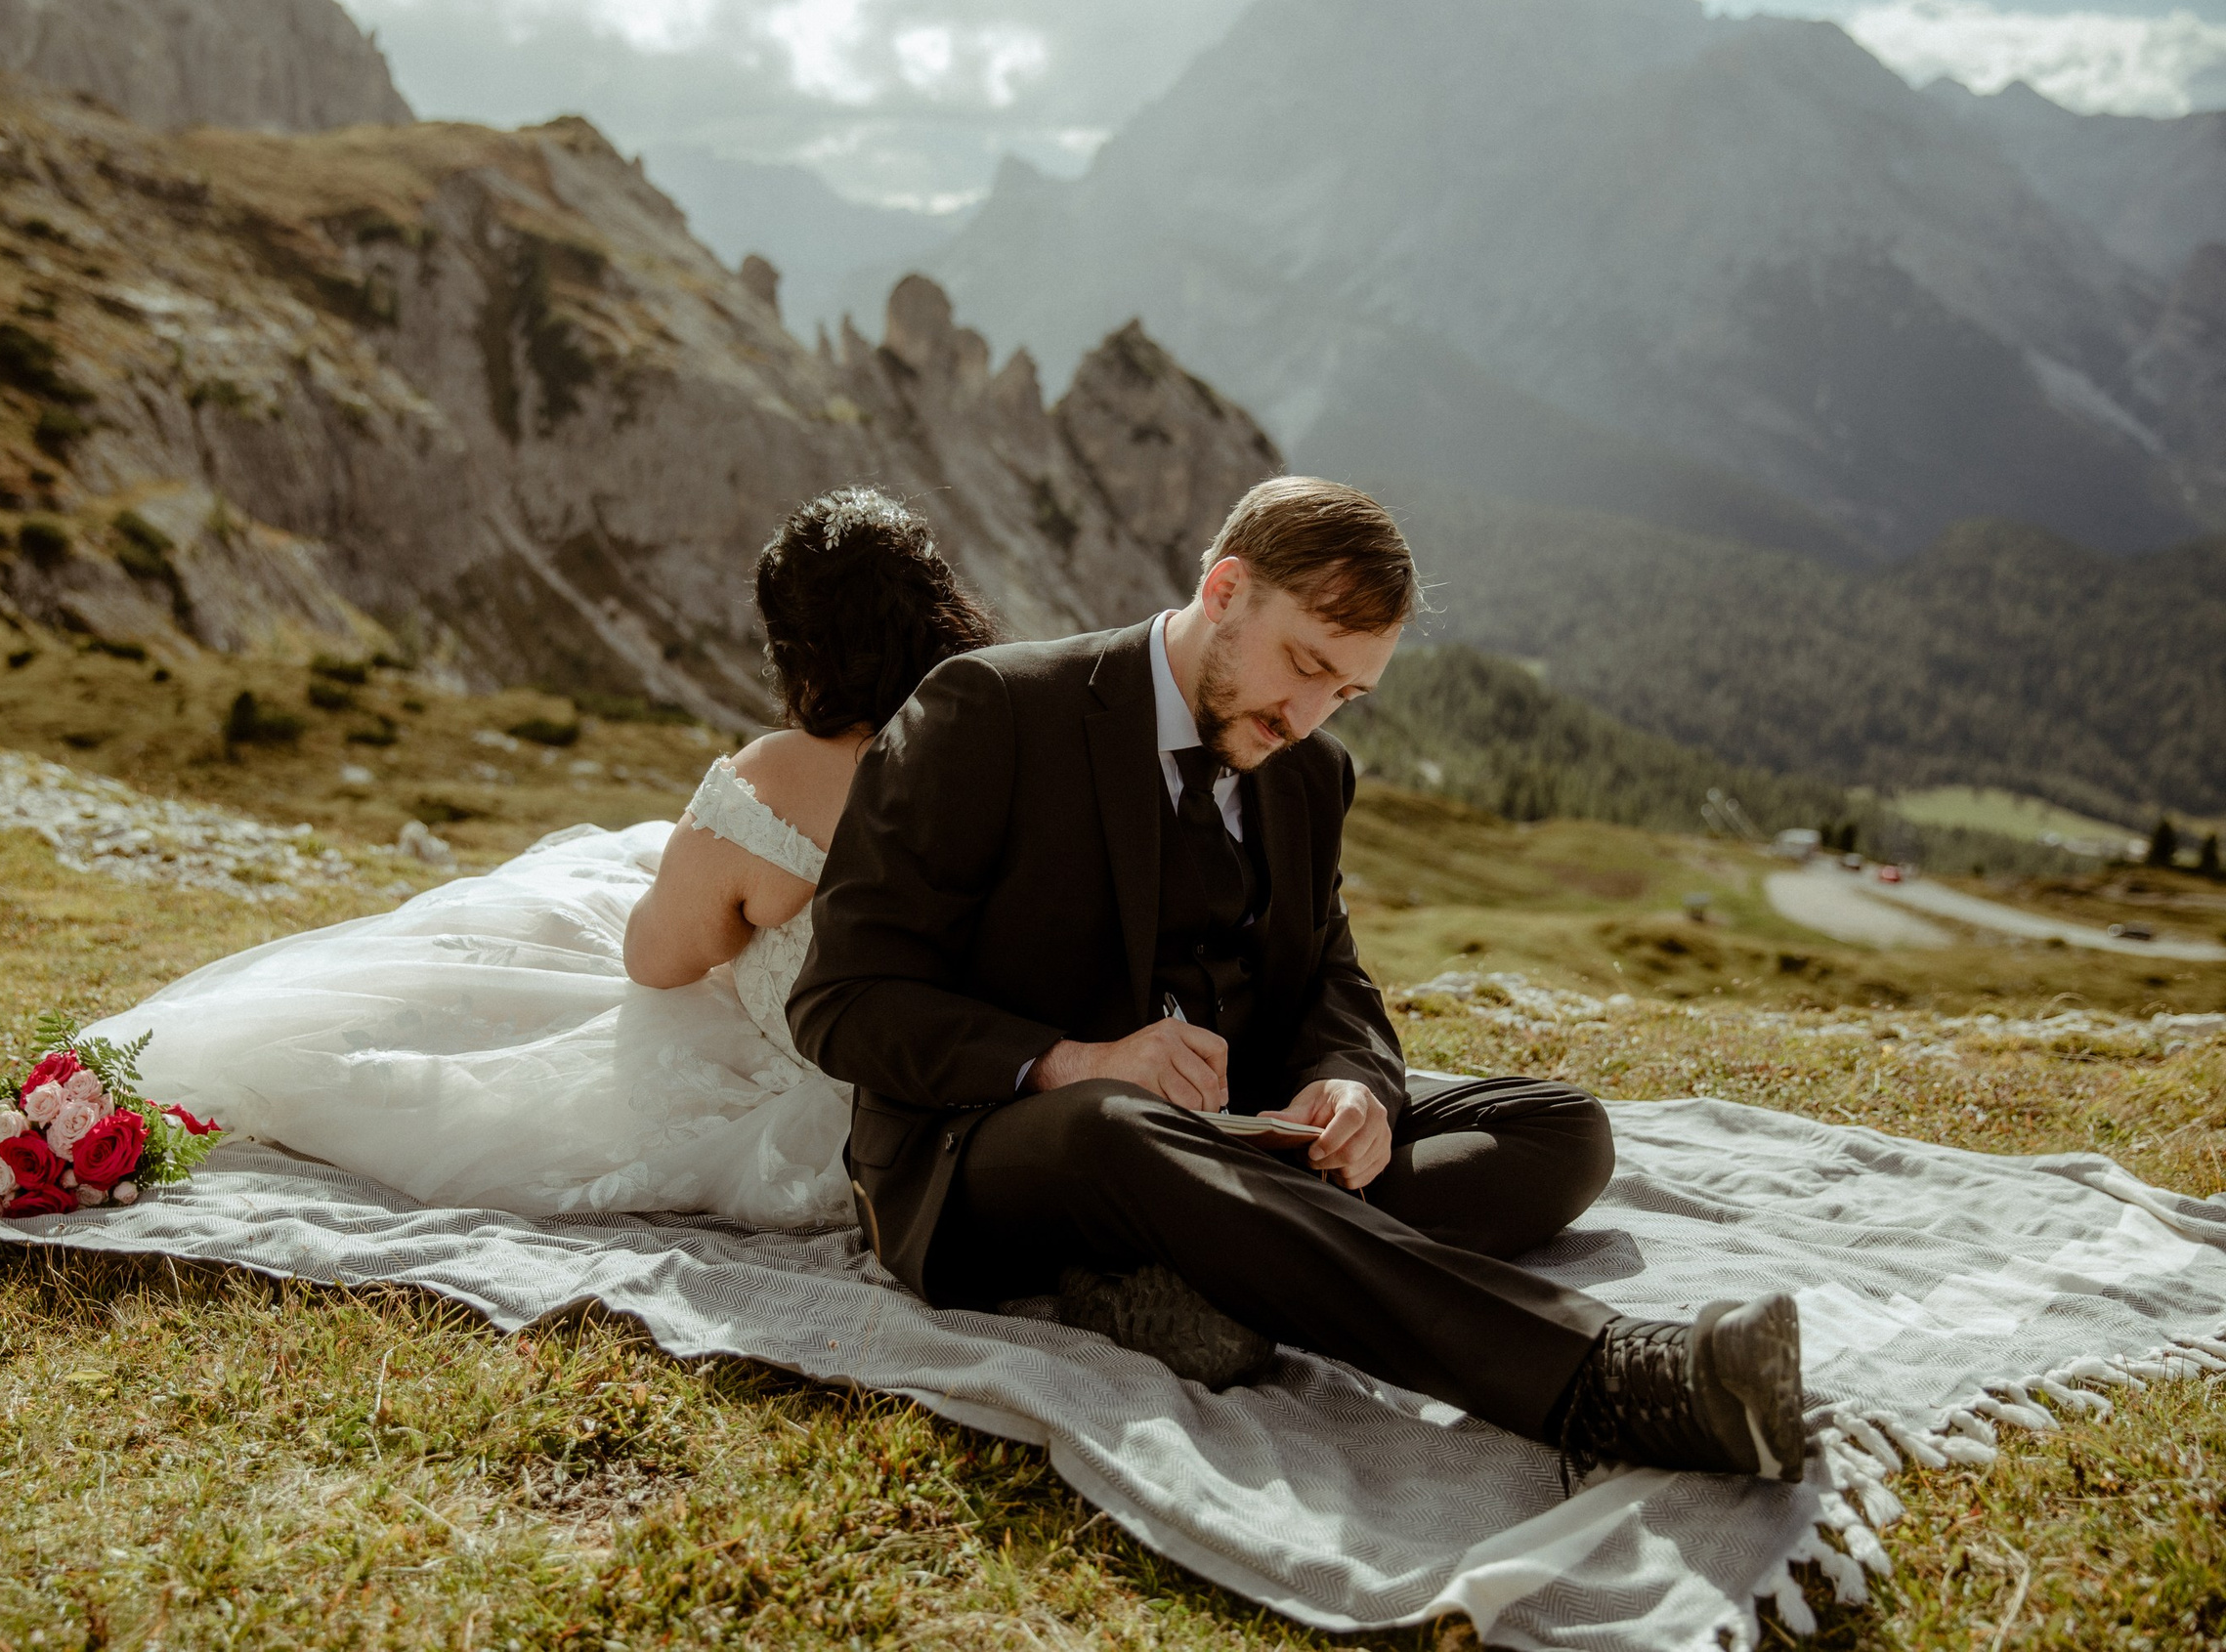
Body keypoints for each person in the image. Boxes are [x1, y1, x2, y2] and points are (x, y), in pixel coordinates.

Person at [788, 475, 1805, 1483]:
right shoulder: (993, 710)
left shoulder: (1313, 775)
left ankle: (1213, 1265)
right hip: (999, 1153)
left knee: (1558, 1128)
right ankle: (1611, 1378)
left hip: (1236, 1130)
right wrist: (1070, 1060)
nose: (1309, 717)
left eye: (1347, 694)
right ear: (1224, 590)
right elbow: (841, 1000)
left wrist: (1354, 1081)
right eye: (1305, 667)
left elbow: (1333, 974)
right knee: (1111, 1124)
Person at [88, 487, 992, 1228]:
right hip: (986, 1085)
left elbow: (657, 958)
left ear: (801, 649)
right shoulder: (1006, 744)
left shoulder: (778, 780)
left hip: (819, 1121)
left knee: (560, 958)